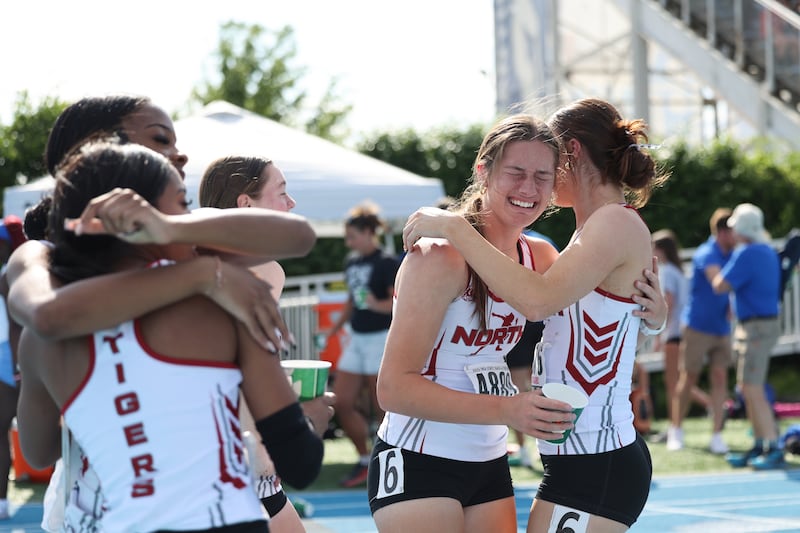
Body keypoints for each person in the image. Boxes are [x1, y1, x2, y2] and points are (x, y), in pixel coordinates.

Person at [15, 138, 319, 531]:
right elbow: (302, 462)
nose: (188, 219)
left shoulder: (42, 340)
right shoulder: (222, 309)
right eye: (181, 205)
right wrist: (305, 418)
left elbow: (38, 452)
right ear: (142, 221)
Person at [401, 98, 669, 532]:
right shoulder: (591, 228)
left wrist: (454, 227)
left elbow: (539, 301)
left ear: (573, 154)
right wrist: (657, 318)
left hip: (597, 457)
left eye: (547, 167)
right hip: (576, 458)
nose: (537, 182)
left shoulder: (612, 223)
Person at [370, 114, 586, 533]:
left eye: (543, 176)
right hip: (418, 457)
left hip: (488, 459)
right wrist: (509, 408)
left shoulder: (539, 257)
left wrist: (653, 315)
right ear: (483, 171)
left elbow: (594, 316)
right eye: (516, 173)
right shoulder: (438, 258)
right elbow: (393, 389)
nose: (529, 189)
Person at [199, 154, 337, 531]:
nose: (292, 204)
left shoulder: (190, 264)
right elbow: (239, 370)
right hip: (236, 451)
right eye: (282, 192)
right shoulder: (261, 270)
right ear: (246, 203)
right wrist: (299, 421)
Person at [322, 202, 400, 488]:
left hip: (381, 338)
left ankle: (386, 463)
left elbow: (396, 304)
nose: (349, 242)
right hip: (356, 338)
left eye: (353, 235)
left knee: (382, 408)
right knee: (340, 401)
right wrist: (334, 328)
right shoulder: (352, 262)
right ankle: (365, 460)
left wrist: (375, 305)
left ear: (369, 232)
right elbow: (351, 300)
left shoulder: (387, 263)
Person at [712, 203, 782, 469]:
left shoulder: (747, 254)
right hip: (759, 326)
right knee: (747, 387)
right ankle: (760, 445)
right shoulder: (766, 251)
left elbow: (720, 285)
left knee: (752, 387)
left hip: (755, 328)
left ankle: (772, 445)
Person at [667, 208, 737, 454]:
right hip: (697, 327)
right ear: (722, 231)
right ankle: (676, 430)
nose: (738, 235)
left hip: (721, 328)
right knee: (689, 378)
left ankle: (717, 435)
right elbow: (720, 284)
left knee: (720, 378)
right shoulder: (707, 253)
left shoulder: (733, 253)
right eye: (734, 230)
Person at [649, 229, 709, 442]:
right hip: (683, 329)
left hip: (672, 331)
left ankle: (678, 425)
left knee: (673, 382)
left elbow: (668, 302)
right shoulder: (679, 270)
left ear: (661, 250)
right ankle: (710, 406)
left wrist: (659, 334)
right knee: (680, 381)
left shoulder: (666, 271)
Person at [0, 216, 26, 520]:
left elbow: (16, 326)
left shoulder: (10, 274)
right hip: (12, 358)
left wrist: (19, 369)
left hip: (14, 358)